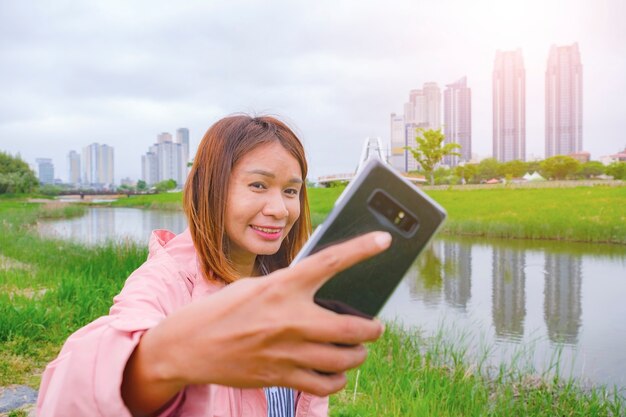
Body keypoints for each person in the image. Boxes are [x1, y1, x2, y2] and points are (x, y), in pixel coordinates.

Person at [36, 115, 390, 417]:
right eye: (258, 185)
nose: (280, 210)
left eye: (290, 191)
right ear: (211, 188)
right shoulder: (165, 280)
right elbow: (70, 393)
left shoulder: (287, 282)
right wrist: (159, 360)